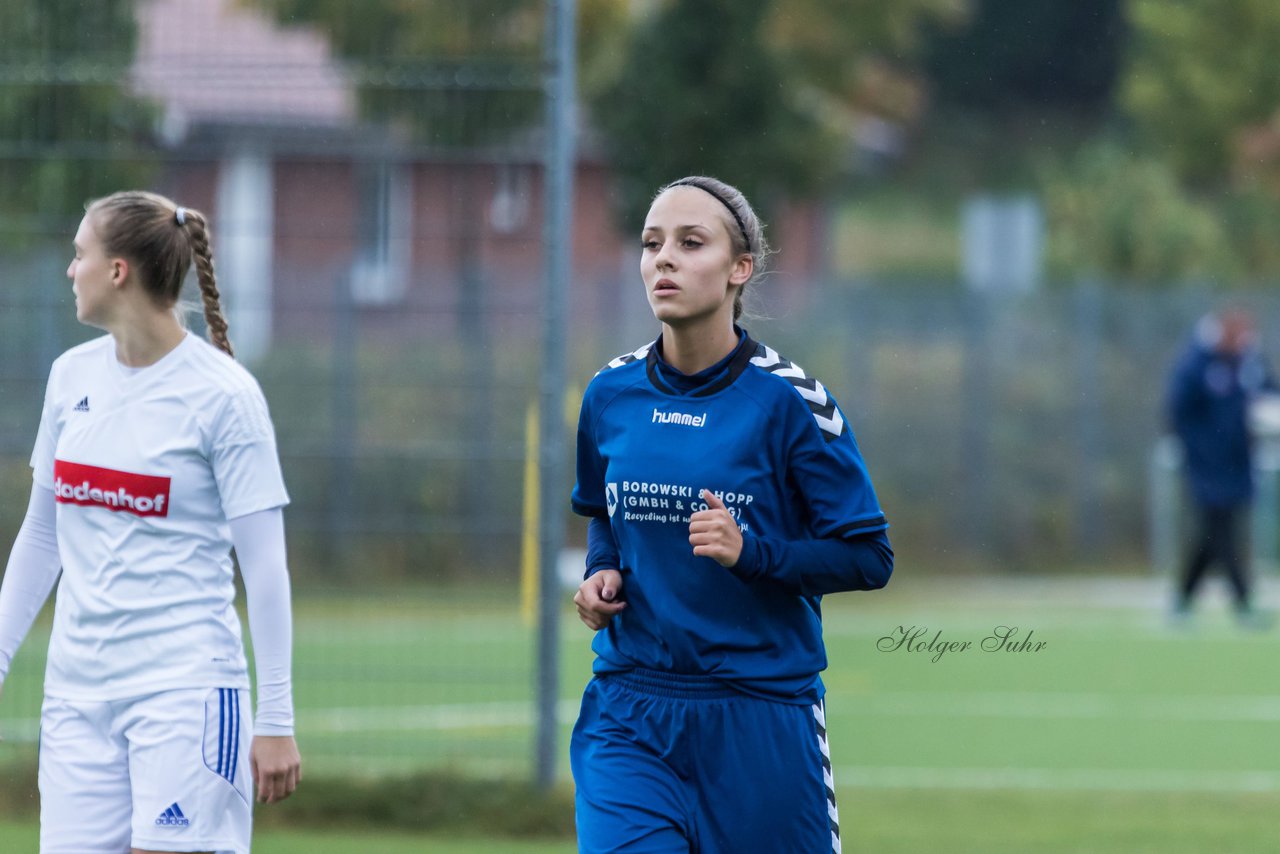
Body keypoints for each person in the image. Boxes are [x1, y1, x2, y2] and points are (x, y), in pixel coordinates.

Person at [569, 176, 893, 853]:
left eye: (691, 243)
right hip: (631, 710)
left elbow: (868, 557)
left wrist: (753, 554)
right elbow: (604, 514)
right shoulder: (610, 393)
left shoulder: (793, 403)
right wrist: (603, 574)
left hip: (760, 715)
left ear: (740, 268)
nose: (665, 259)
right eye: (652, 243)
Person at [0, 190, 301, 853]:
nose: (68, 269)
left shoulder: (224, 396)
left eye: (79, 254)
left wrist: (276, 716)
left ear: (118, 272)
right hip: (76, 697)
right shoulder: (68, 377)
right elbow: (42, 536)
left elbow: (266, 569)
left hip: (184, 692)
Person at [1167, 310, 1272, 626]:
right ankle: (1243, 603)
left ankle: (1182, 601)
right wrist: (1198, 447)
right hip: (1205, 466)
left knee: (1213, 537)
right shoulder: (1195, 365)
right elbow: (1178, 409)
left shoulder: (1247, 365)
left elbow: (1268, 393)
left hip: (1238, 465)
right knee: (1222, 533)